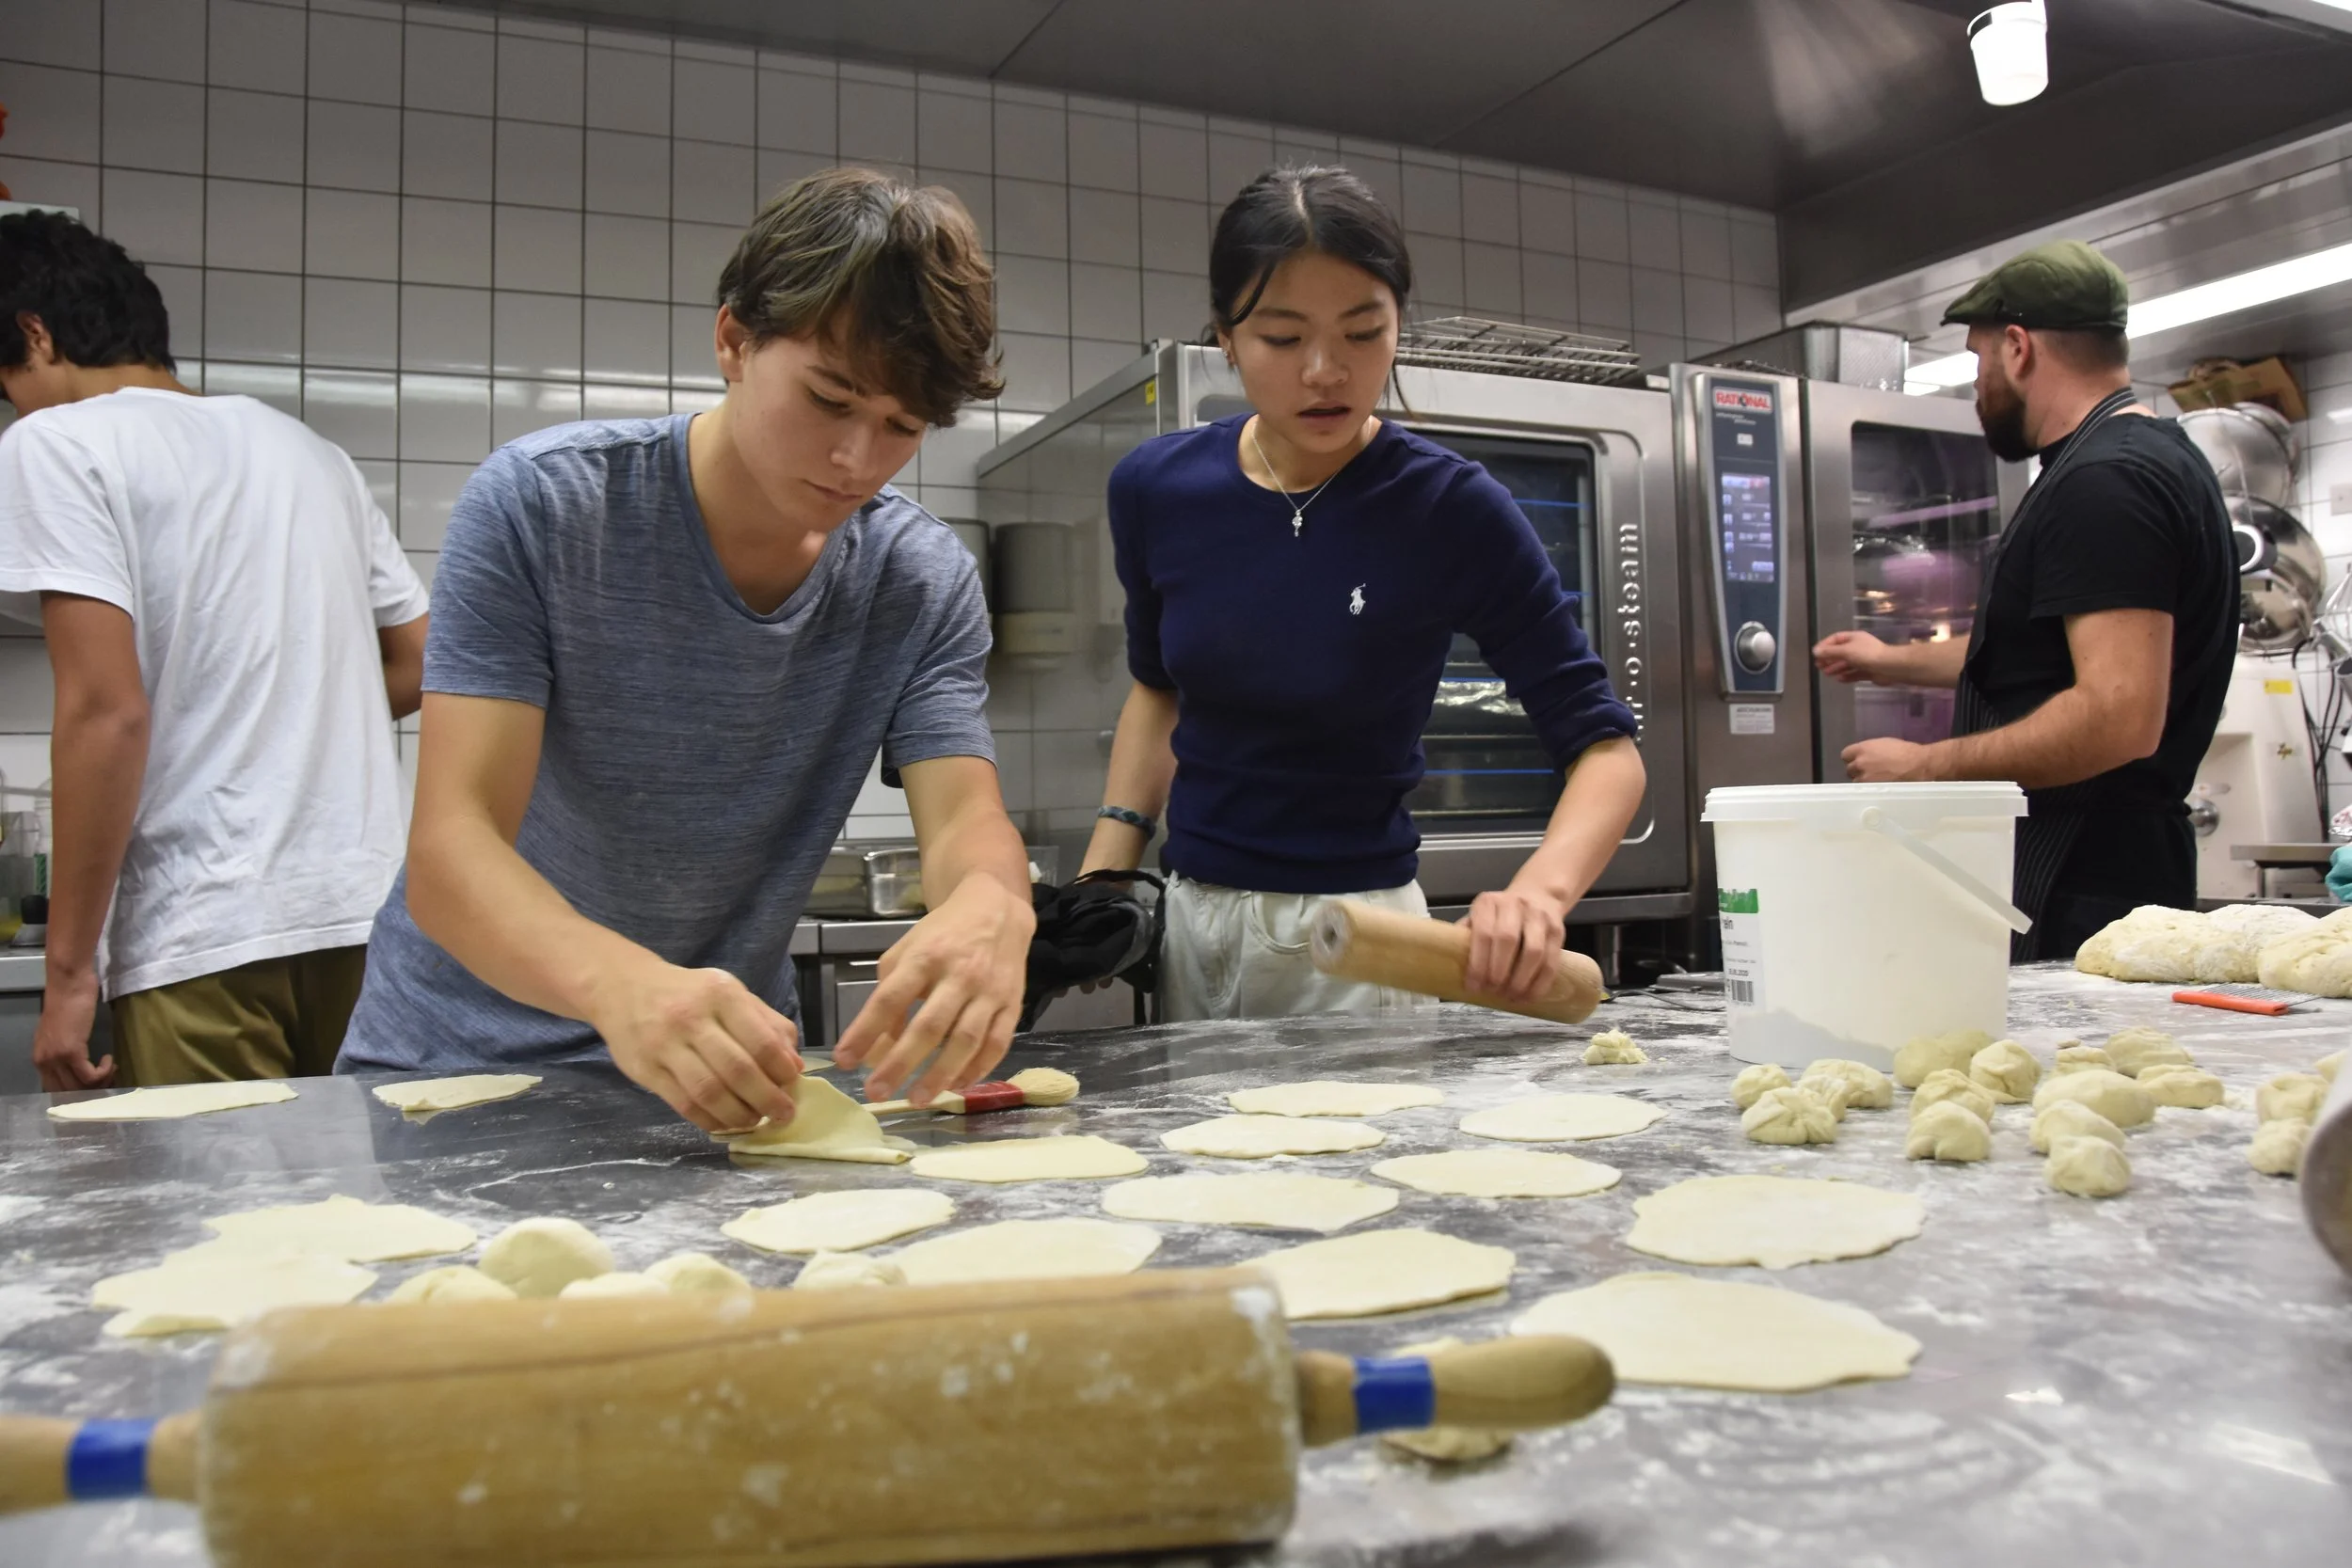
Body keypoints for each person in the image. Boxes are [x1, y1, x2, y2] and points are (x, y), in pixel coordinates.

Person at [336, 168, 1035, 1132]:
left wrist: (993, 902)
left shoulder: (918, 579)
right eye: (830, 398)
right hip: (454, 1067)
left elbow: (964, 820)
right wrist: (620, 985)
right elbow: (453, 850)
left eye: (902, 426)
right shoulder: (546, 507)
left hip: (723, 1079)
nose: (858, 460)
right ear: (734, 341)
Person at [1079, 166, 1647, 1021]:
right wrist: (1107, 870)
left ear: (1397, 327)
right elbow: (1158, 687)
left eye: (1362, 332)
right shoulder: (1155, 489)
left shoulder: (1449, 507)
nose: (1325, 371)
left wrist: (1539, 895)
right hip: (1191, 930)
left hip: (1362, 943)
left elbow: (1607, 749)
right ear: (1226, 337)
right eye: (1282, 338)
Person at [0, 211, 430, 1091]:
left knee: (221, 1186)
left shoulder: (56, 444)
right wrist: (292, 715)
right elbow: (421, 659)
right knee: (374, 1182)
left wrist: (70, 976)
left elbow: (104, 713)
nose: (14, 403)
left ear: (34, 334)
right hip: (369, 919)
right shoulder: (311, 452)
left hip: (204, 930)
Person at [1811, 239, 2235, 960]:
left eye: (1978, 362)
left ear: (2017, 348)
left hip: (2085, 886)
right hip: (2101, 877)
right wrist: (1890, 660)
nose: (1978, 388)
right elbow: (2042, 657)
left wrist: (1924, 768)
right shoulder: (2153, 458)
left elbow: (2119, 716)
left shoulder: (2106, 484)